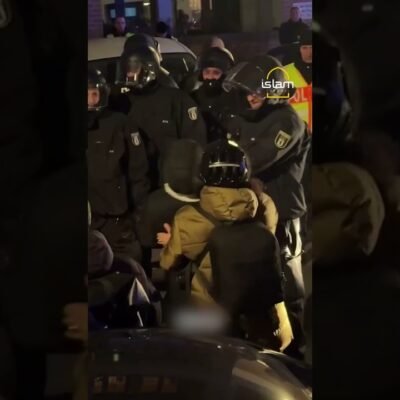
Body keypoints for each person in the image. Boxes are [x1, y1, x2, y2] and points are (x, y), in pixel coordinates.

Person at [158, 140, 292, 350]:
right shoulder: (265, 205)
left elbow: (168, 263)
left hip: (212, 319)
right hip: (260, 314)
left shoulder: (188, 217)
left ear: (203, 173)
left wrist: (172, 241)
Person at [222, 56, 311, 359]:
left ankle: (296, 348)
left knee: (288, 281)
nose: (251, 98)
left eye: (257, 92)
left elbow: (254, 158)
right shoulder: (245, 117)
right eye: (248, 92)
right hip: (254, 212)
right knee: (261, 282)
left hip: (283, 212)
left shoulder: (287, 121)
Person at [111, 45, 207, 191]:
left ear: (148, 68)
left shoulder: (177, 99)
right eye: (127, 69)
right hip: (134, 187)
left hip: (170, 185)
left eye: (133, 68)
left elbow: (195, 144)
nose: (129, 74)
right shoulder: (120, 103)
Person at [88, 68, 149, 262]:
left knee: (129, 264)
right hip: (89, 220)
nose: (90, 101)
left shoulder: (119, 123)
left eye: (94, 94)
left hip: (118, 219)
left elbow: (138, 170)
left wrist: (137, 211)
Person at [191, 47, 236, 142]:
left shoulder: (234, 99)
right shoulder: (192, 98)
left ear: (225, 75)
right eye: (207, 72)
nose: (210, 77)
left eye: (216, 73)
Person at [283, 29, 312, 132]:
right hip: (297, 132)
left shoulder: (327, 70)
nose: (309, 52)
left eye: (311, 47)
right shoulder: (285, 73)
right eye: (305, 48)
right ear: (299, 49)